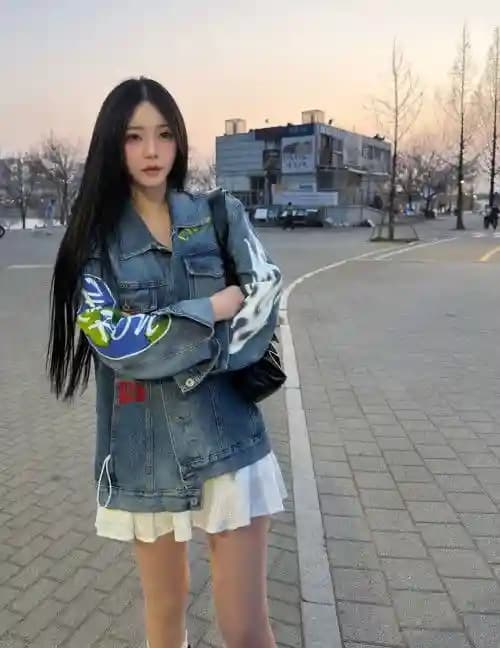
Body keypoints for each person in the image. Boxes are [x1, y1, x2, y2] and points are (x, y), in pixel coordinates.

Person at [47, 77, 286, 648]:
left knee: (245, 628)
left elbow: (263, 297)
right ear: (113, 145)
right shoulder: (96, 245)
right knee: (164, 617)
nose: (151, 151)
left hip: (228, 438)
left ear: (180, 141)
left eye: (163, 135)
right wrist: (210, 310)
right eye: (134, 137)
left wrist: (176, 346)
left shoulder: (219, 214)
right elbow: (113, 342)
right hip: (144, 451)